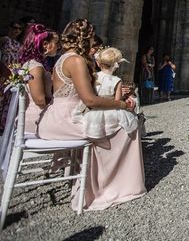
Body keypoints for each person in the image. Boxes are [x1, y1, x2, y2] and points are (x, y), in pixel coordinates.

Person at [37, 19, 146, 211]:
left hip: (58, 117)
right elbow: (90, 100)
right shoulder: (76, 61)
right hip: (67, 120)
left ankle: (98, 182)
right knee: (127, 125)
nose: (94, 45)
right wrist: (121, 104)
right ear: (85, 38)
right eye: (92, 40)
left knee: (114, 122)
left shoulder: (64, 58)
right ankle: (111, 187)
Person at [78, 47, 138, 139]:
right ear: (116, 65)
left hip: (93, 111)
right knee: (130, 124)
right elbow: (117, 101)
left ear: (98, 63)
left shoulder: (93, 76)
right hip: (110, 110)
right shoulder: (117, 80)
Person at [17, 24, 59, 133]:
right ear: (45, 44)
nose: (59, 46)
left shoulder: (37, 64)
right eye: (56, 43)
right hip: (35, 117)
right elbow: (39, 100)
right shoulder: (35, 66)